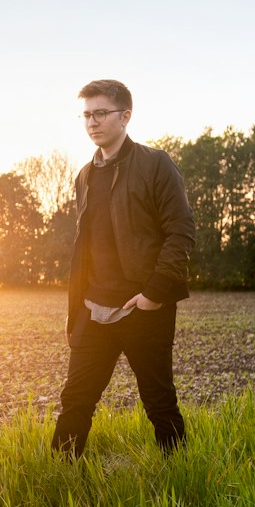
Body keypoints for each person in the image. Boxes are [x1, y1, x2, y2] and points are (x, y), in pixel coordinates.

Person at [52, 79, 194, 458]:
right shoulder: (84, 175)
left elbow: (181, 232)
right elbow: (86, 248)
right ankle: (58, 479)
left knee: (159, 402)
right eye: (86, 115)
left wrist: (153, 295)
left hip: (142, 307)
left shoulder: (155, 164)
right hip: (93, 310)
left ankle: (181, 474)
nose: (92, 123)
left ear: (125, 116)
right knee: (76, 401)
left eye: (101, 113)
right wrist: (77, 312)